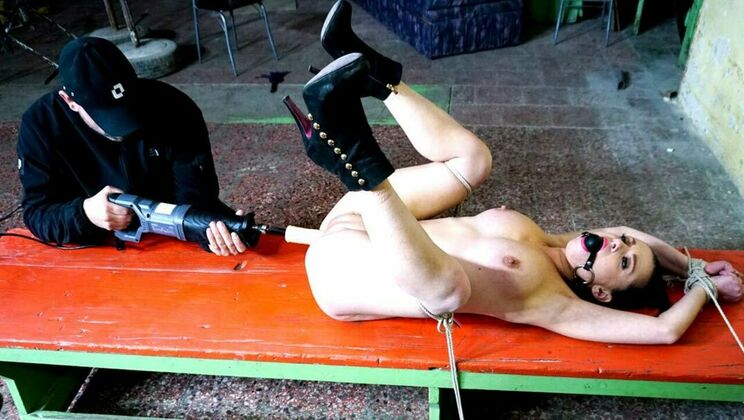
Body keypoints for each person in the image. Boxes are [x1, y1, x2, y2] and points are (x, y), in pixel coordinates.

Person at [283, 0, 743, 344]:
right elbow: (631, 231)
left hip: (341, 272)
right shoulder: (551, 241)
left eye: (624, 262)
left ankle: (353, 156)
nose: (619, 243)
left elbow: (664, 331)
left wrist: (704, 289)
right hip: (356, 219)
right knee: (475, 161)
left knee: (450, 293)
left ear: (600, 292)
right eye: (623, 242)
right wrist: (691, 265)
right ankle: (371, 74)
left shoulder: (552, 303)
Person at [17, 37, 245, 256]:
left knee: (232, 239)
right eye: (106, 116)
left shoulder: (174, 107)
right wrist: (84, 213)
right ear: (70, 102)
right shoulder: (41, 125)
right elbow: (38, 213)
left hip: (172, 228)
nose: (123, 130)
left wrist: (209, 229)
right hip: (96, 242)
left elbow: (196, 195)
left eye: (128, 105)